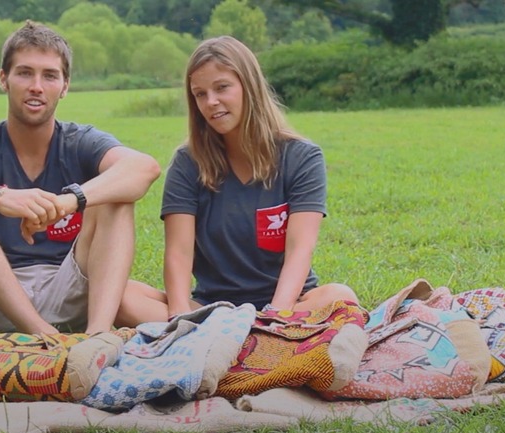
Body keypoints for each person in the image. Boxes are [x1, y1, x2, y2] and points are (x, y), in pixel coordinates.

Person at [0, 21, 160, 339]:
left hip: (67, 289)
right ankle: (41, 334)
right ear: (3, 79)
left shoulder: (80, 141)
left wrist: (70, 200)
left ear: (65, 86)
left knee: (114, 195)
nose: (36, 86)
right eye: (25, 73)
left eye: (49, 75)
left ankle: (98, 338)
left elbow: (143, 168)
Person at [116, 36, 357, 326]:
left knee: (341, 297)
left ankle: (245, 336)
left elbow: (299, 249)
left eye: (221, 88)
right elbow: (179, 253)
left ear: (249, 86)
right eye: (200, 94)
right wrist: (180, 318)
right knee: (120, 295)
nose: (211, 102)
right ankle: (243, 337)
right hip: (212, 308)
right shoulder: (187, 162)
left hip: (288, 304)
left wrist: (277, 314)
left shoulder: (302, 157)